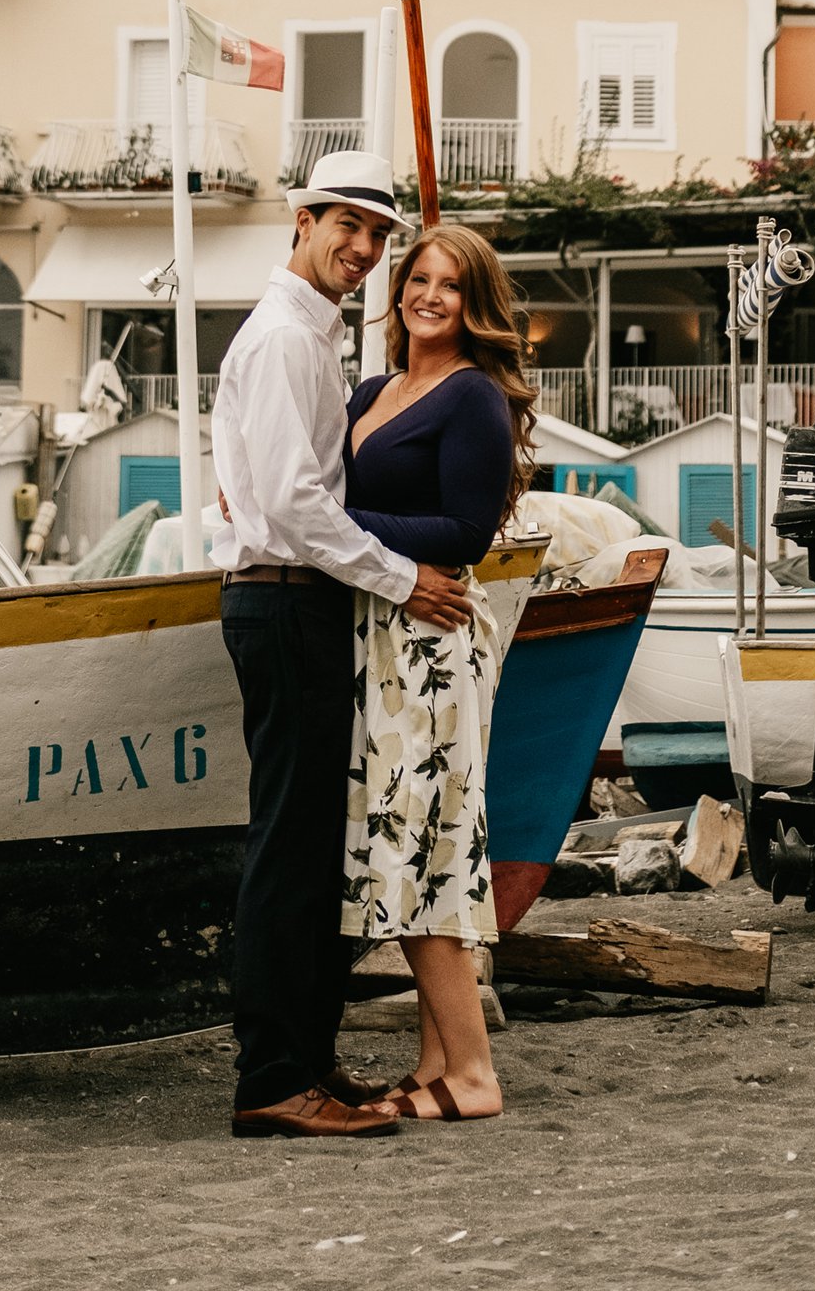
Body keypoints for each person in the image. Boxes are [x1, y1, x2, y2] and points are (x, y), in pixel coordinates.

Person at [211, 150, 472, 1141]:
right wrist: (408, 580)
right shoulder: (286, 340)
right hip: (286, 603)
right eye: (347, 227)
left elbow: (256, 486)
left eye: (377, 235)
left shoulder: (299, 338)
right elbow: (294, 505)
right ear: (303, 219)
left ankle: (304, 1065)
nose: (363, 249)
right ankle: (274, 1078)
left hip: (286, 599)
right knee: (292, 848)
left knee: (312, 845)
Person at [340, 223, 536, 1125]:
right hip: (381, 633)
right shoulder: (379, 388)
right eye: (418, 277)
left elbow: (464, 535)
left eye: (450, 286)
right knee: (419, 851)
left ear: (475, 303)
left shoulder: (473, 399)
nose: (428, 295)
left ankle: (474, 1075)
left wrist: (338, 527)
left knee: (421, 852)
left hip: (430, 641)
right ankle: (433, 1062)